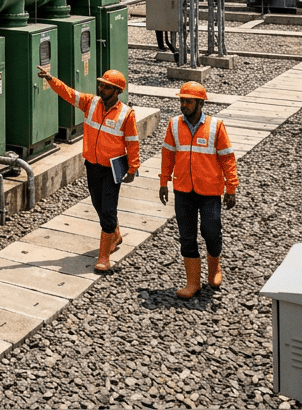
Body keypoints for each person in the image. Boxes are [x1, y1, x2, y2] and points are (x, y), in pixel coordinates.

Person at [38, 66, 140, 273]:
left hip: (112, 169)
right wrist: (50, 79)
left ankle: (104, 257)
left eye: (107, 87)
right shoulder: (91, 103)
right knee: (98, 203)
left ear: (117, 91)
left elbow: (132, 142)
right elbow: (69, 94)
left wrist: (133, 168)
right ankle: (115, 234)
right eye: (101, 85)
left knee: (108, 208)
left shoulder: (126, 114)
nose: (101, 88)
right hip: (92, 165)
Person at [159, 81, 238, 299]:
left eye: (189, 101)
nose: (184, 105)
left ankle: (214, 267)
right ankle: (193, 282)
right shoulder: (174, 125)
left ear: (201, 103)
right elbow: (168, 155)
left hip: (210, 191)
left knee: (211, 231)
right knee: (187, 236)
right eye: (182, 100)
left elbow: (227, 158)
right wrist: (164, 182)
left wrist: (231, 187)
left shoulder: (216, 126)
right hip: (183, 189)